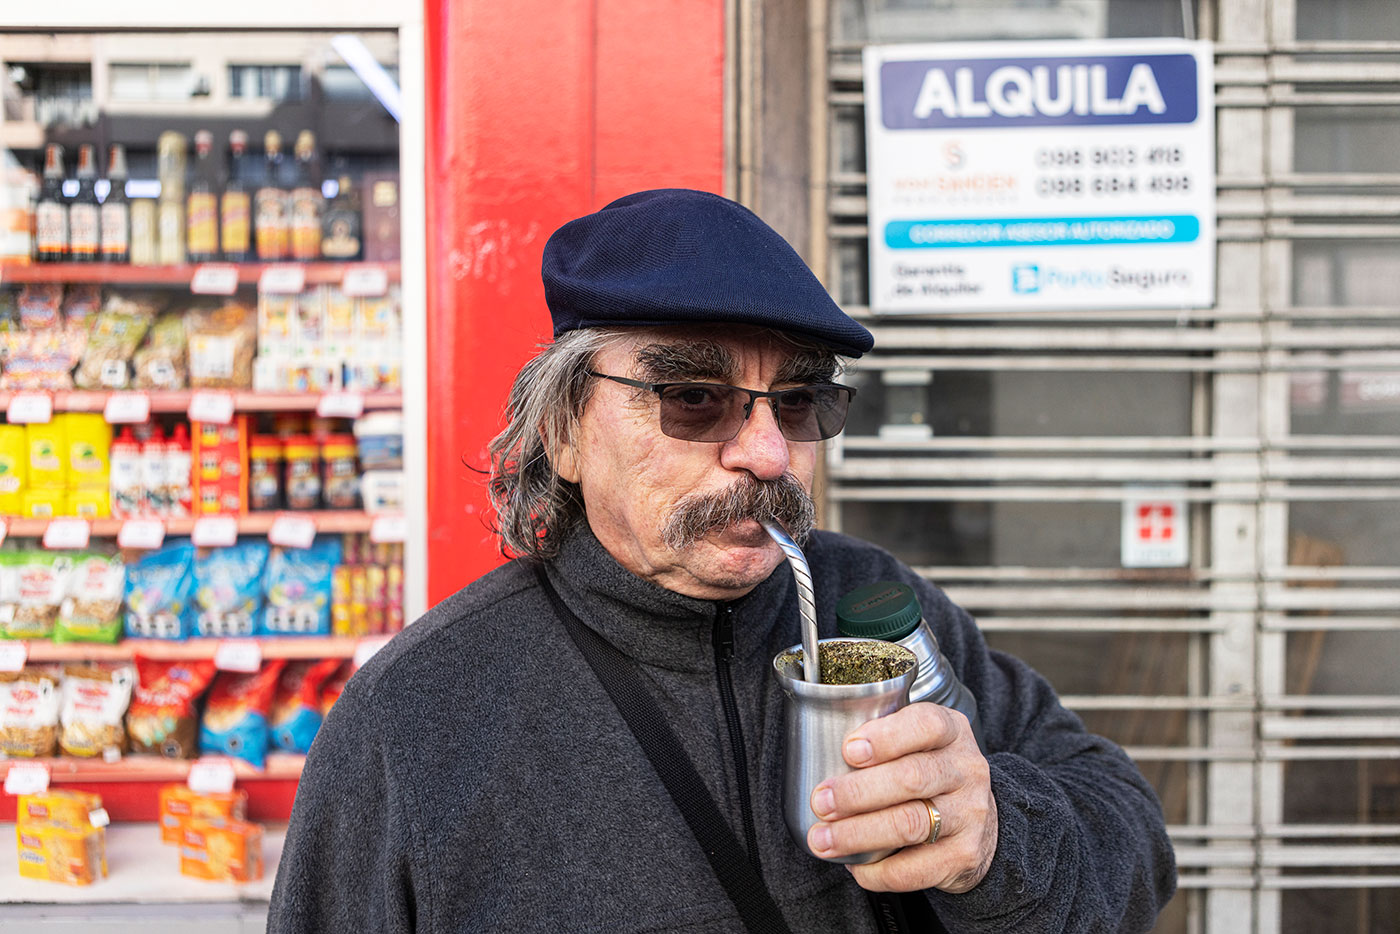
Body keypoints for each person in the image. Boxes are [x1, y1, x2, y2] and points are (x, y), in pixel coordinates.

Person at [268, 189, 1176, 933]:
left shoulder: (879, 604)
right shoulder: (418, 714)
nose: (769, 454)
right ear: (564, 432)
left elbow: (1136, 842)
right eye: (693, 397)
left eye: (796, 402)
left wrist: (996, 838)